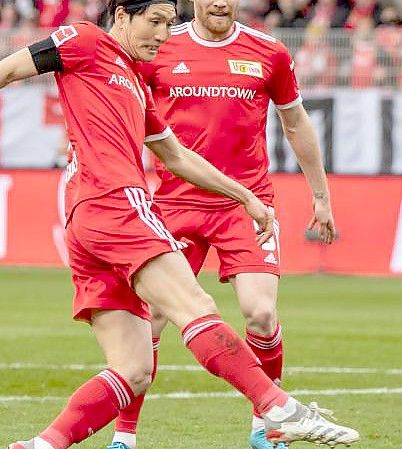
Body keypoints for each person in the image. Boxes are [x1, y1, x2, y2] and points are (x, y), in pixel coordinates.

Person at [3, 0, 359, 448]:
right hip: (116, 203)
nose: (162, 34)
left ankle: (41, 445)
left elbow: (175, 155)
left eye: (169, 25)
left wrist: (245, 195)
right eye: (153, 22)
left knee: (132, 369)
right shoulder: (85, 40)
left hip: (87, 217)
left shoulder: (135, 81)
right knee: (195, 307)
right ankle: (279, 408)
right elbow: (10, 69)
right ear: (121, 16)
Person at [104, 0, 337, 448]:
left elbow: (295, 124)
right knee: (150, 318)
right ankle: (125, 437)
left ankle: (266, 428)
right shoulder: (161, 45)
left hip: (244, 205)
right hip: (174, 203)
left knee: (262, 314)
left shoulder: (269, 52)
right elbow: (124, 112)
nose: (220, 2)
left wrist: (321, 196)